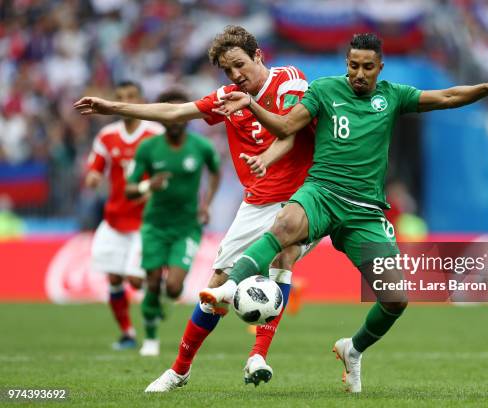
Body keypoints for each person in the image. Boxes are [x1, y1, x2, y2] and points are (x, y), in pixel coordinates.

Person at [204, 33, 488, 393]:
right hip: (322, 193)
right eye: (353, 65)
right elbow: (285, 128)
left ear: (379, 68)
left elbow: (449, 96)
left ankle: (353, 349)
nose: (358, 73)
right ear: (346, 64)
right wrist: (252, 104)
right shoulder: (325, 89)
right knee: (284, 225)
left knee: (395, 298)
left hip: (363, 212)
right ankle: (230, 287)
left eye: (366, 67)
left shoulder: (392, 96)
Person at [74, 25, 315, 390]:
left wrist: (263, 146)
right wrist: (113, 107)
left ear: (259, 56)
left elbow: (290, 129)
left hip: (303, 193)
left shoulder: (289, 81)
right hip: (257, 201)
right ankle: (179, 370)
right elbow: (175, 113)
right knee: (216, 284)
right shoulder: (227, 97)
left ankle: (258, 355)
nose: (235, 75)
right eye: (227, 70)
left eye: (239, 65)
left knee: (286, 255)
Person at [124, 89, 221, 357]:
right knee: (152, 281)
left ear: (188, 117)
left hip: (187, 227)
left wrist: (206, 203)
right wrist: (147, 184)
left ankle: (162, 303)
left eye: (181, 114)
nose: (176, 120)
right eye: (170, 113)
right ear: (162, 117)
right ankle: (151, 338)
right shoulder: (148, 148)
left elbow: (216, 172)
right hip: (155, 225)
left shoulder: (201, 147)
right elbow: (129, 190)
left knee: (174, 287)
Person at [85, 81, 164, 350]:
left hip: (145, 221)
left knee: (136, 280)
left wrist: (155, 191)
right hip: (115, 219)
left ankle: (154, 304)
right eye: (120, 97)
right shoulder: (107, 135)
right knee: (115, 279)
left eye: (131, 96)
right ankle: (128, 334)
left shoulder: (154, 133)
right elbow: (95, 168)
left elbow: (165, 172)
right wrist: (93, 177)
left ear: (141, 100)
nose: (126, 101)